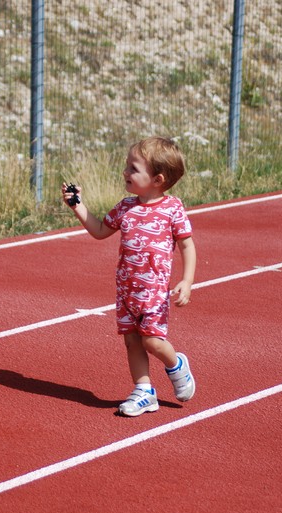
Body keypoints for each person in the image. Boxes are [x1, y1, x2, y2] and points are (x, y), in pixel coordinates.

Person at [62, 136, 196, 417]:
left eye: (133, 168)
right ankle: (144, 390)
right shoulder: (125, 207)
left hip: (154, 291)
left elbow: (187, 244)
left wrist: (186, 280)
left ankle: (176, 364)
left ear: (157, 179)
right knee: (132, 341)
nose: (125, 172)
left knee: (152, 341)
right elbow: (99, 230)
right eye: (127, 166)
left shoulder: (172, 209)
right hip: (126, 290)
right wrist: (78, 206)